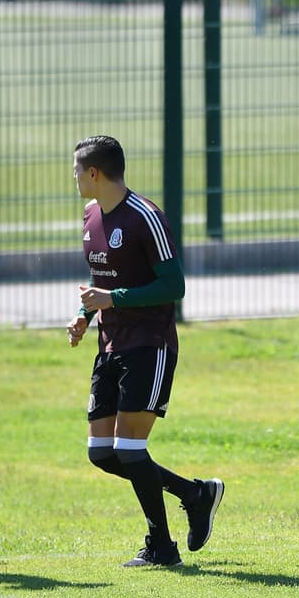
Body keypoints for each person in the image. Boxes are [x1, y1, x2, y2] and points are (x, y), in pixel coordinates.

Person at [66, 135, 223, 567]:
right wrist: (85, 315)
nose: (74, 177)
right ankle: (195, 493)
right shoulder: (90, 215)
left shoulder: (145, 217)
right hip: (110, 345)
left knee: (131, 450)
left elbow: (174, 286)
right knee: (102, 453)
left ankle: (162, 547)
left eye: (77, 170)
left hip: (148, 346)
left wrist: (111, 299)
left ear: (94, 172)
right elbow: (101, 279)